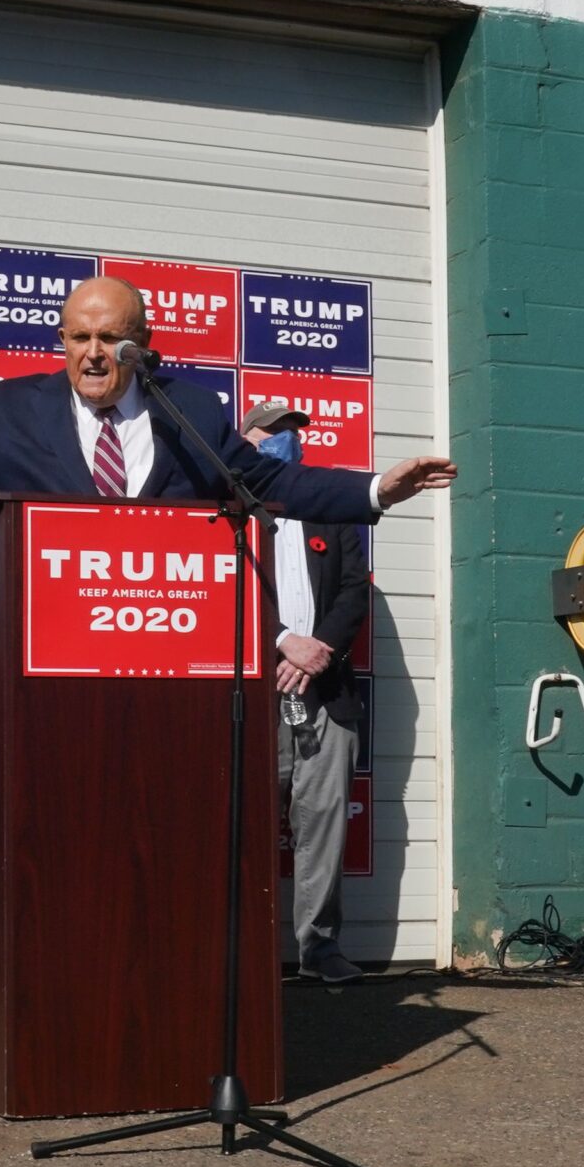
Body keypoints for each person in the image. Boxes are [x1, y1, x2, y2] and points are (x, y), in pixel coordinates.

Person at [0, 277, 452, 521]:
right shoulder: (13, 409)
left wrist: (376, 490)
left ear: (140, 343)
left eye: (110, 338)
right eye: (79, 337)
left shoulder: (191, 410)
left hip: (163, 650)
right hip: (41, 655)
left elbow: (268, 483)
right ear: (61, 340)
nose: (92, 352)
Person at [242, 398, 372, 985]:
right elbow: (217, 589)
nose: (287, 440)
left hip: (326, 690)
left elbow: (353, 592)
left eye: (294, 431)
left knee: (323, 821)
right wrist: (281, 641)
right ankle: (244, 949)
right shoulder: (229, 509)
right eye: (274, 431)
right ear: (247, 439)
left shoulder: (329, 509)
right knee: (244, 821)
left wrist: (317, 652)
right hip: (254, 691)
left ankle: (319, 946)